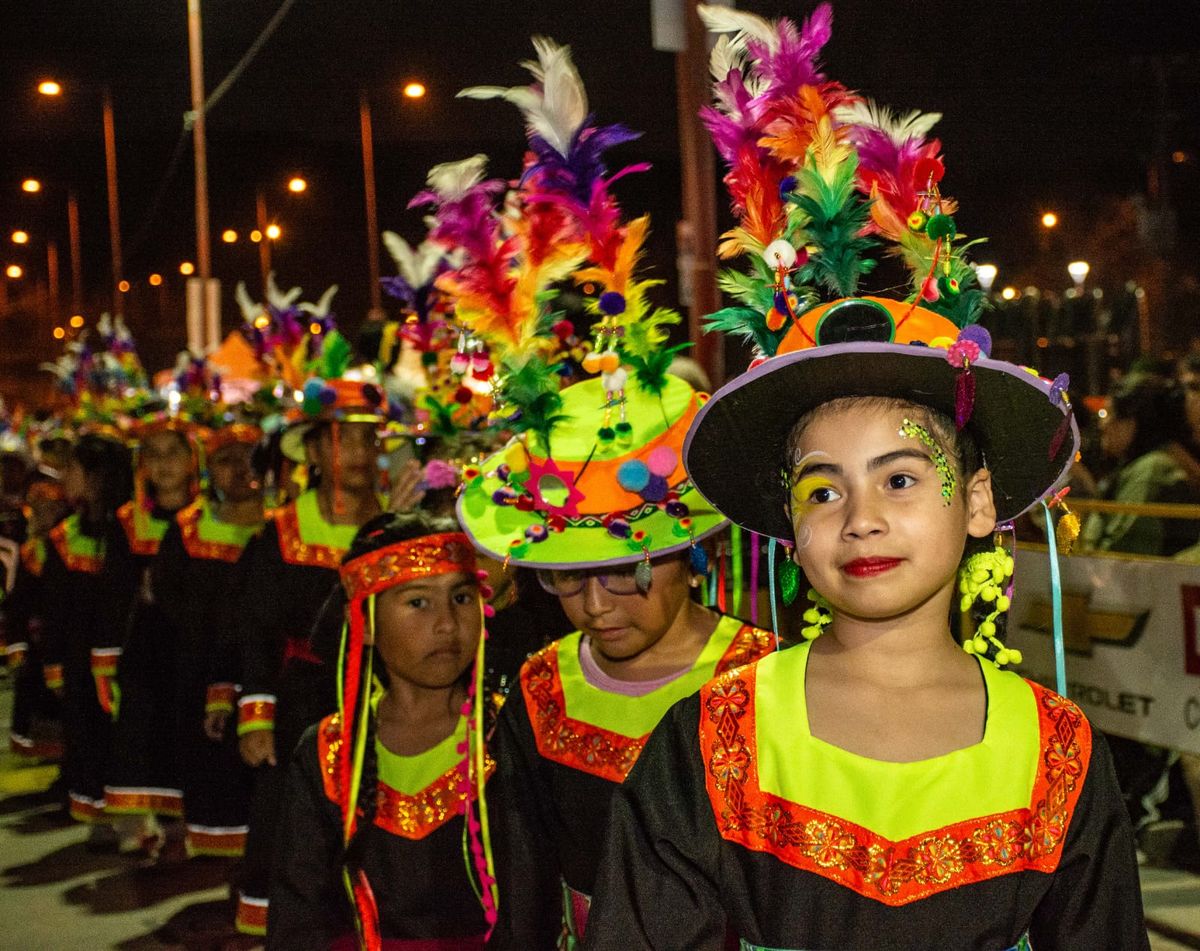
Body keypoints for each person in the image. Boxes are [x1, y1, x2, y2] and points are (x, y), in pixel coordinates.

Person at [581, 8, 1147, 948]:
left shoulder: (1059, 753)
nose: (859, 520)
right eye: (821, 489)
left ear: (975, 501)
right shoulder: (708, 743)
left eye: (899, 480)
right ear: (786, 523)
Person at [269, 512, 495, 949]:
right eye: (418, 602)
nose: (448, 623)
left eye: (462, 599)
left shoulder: (508, 736)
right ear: (366, 624)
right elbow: (300, 911)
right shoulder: (327, 752)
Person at [102, 418, 199, 847]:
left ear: (193, 460)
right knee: (144, 731)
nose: (163, 465)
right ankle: (147, 823)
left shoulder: (213, 517)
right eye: (153, 454)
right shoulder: (126, 522)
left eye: (172, 452)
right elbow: (114, 595)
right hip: (146, 644)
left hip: (196, 643)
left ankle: (194, 824)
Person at [39, 431, 133, 832]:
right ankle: (95, 812)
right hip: (79, 659)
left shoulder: (131, 531)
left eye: (73, 469)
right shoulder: (66, 535)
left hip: (125, 655)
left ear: (97, 476)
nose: (65, 477)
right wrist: (54, 665)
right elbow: (53, 610)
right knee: (86, 734)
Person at [1079, 372, 1200, 556]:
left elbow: (1119, 553)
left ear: (1134, 422)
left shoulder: (1150, 471)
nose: (1103, 424)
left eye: (1111, 414)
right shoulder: (1151, 464)